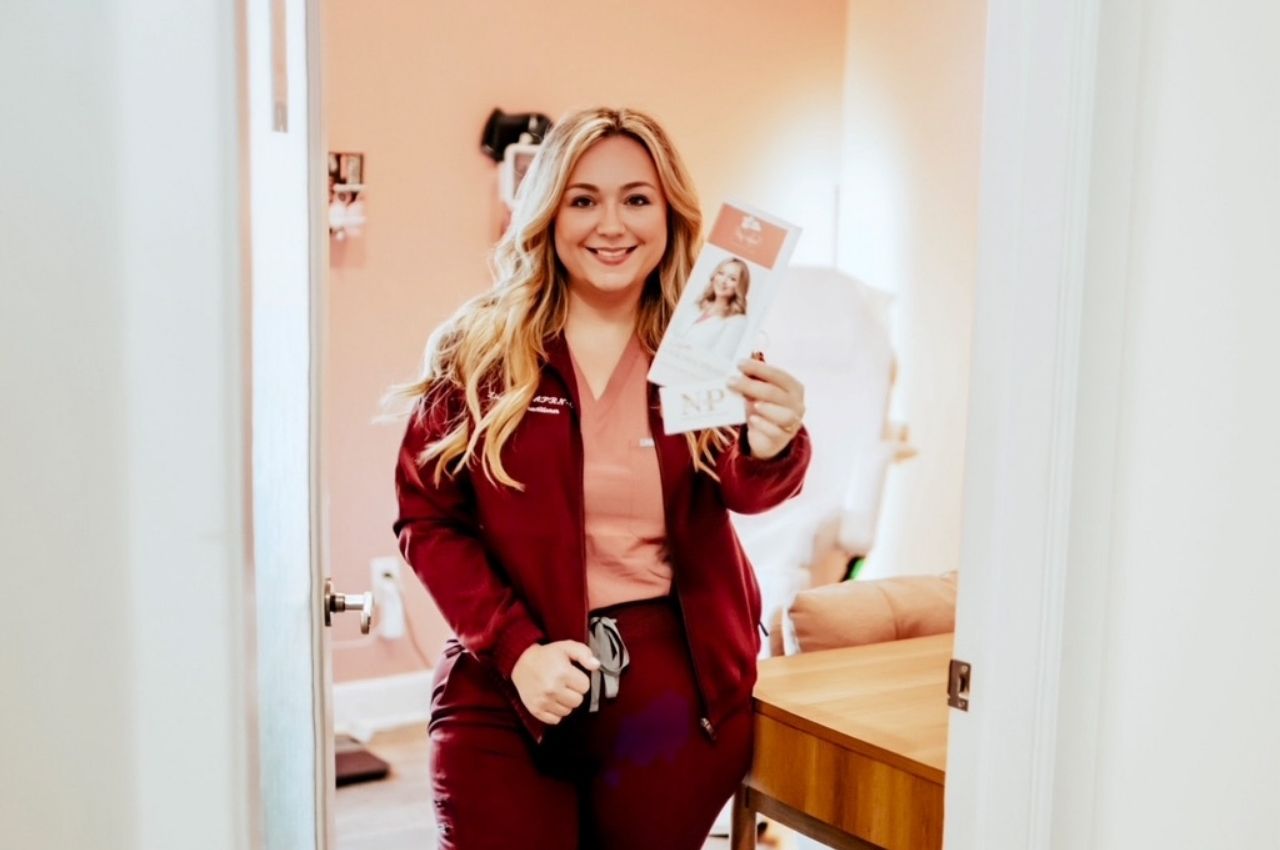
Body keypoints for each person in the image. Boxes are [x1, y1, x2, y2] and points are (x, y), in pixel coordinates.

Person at [391, 106, 810, 850]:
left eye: (636, 199)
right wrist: (518, 651)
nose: (611, 225)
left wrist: (774, 445)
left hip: (673, 692)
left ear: (669, 213)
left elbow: (745, 489)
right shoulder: (481, 350)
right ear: (548, 213)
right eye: (583, 199)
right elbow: (428, 519)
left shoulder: (710, 342)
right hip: (509, 682)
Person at [677, 256, 752, 362]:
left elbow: (719, 360)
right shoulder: (696, 306)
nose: (723, 281)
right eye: (721, 273)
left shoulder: (737, 321)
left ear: (740, 286)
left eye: (732, 278)